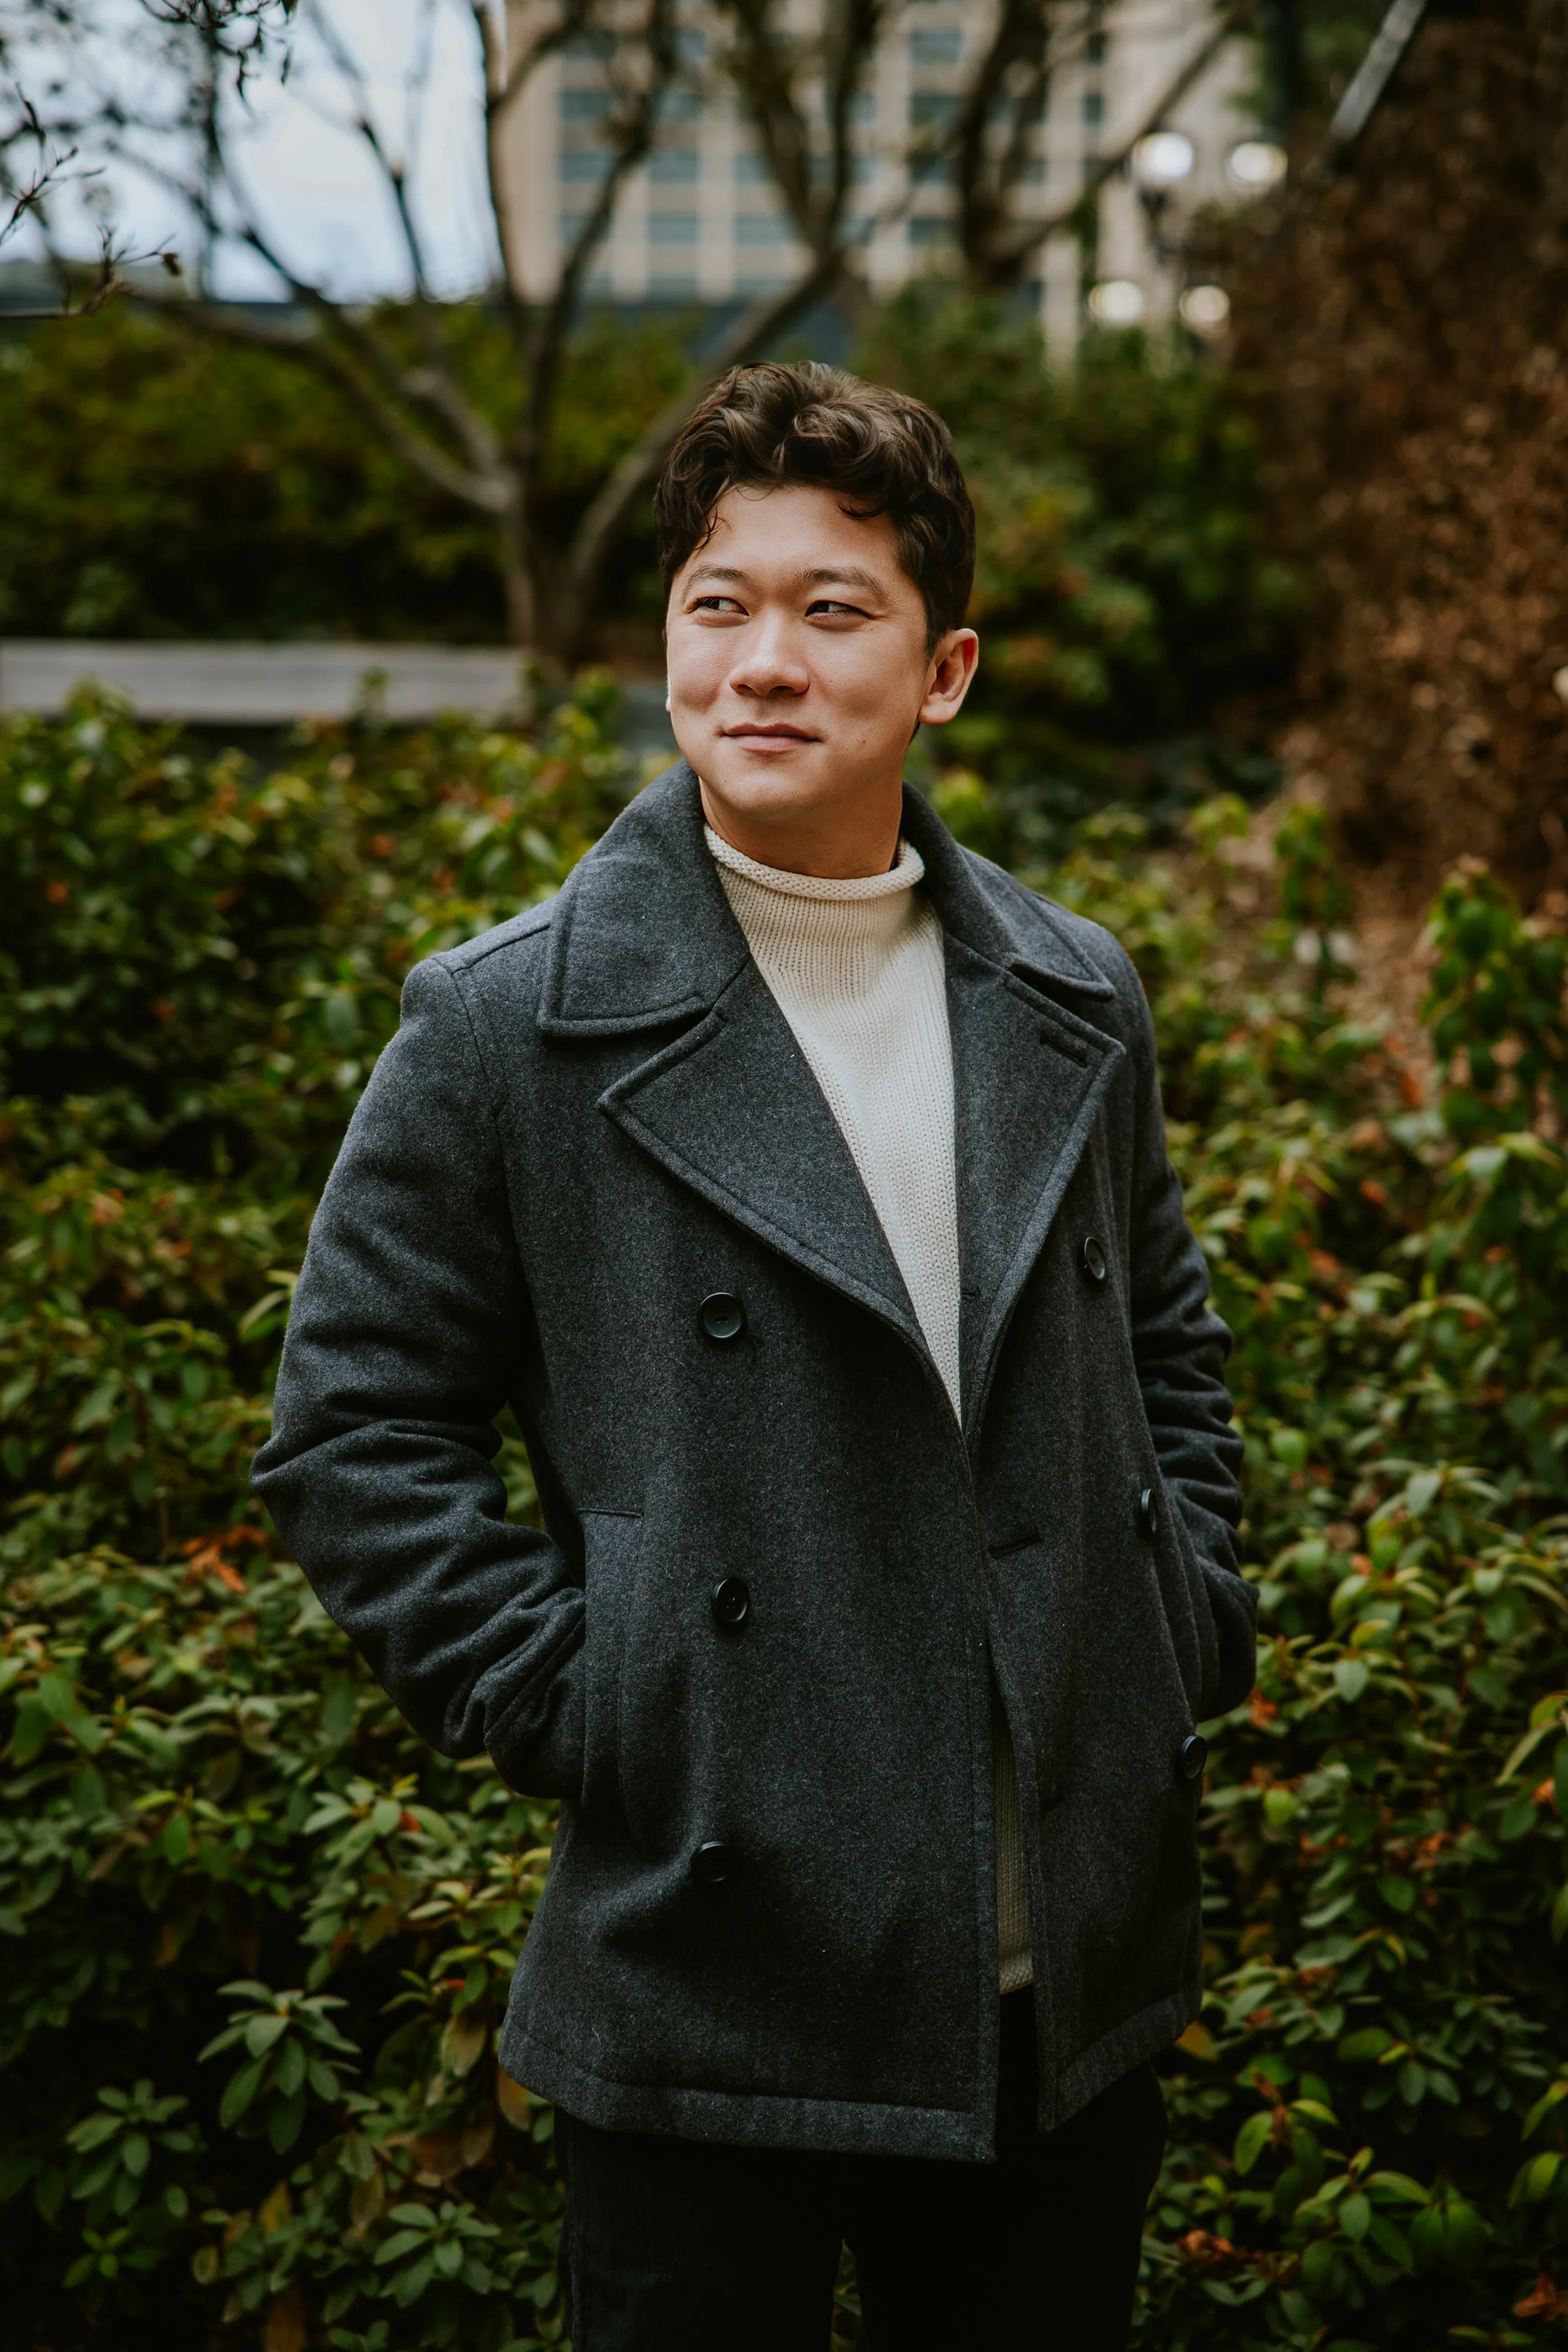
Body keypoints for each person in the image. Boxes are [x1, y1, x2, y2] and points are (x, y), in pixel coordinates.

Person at [253, 361, 1254, 2349]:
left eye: (831, 607)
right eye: (719, 604)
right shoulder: (507, 1024)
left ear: (942, 668)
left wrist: (1177, 1616)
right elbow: (350, 1429)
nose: (763, 660)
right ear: (666, 646)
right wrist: (606, 1699)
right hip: (708, 1966)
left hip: (1054, 1969)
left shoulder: (1071, 994)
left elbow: (1168, 1345)